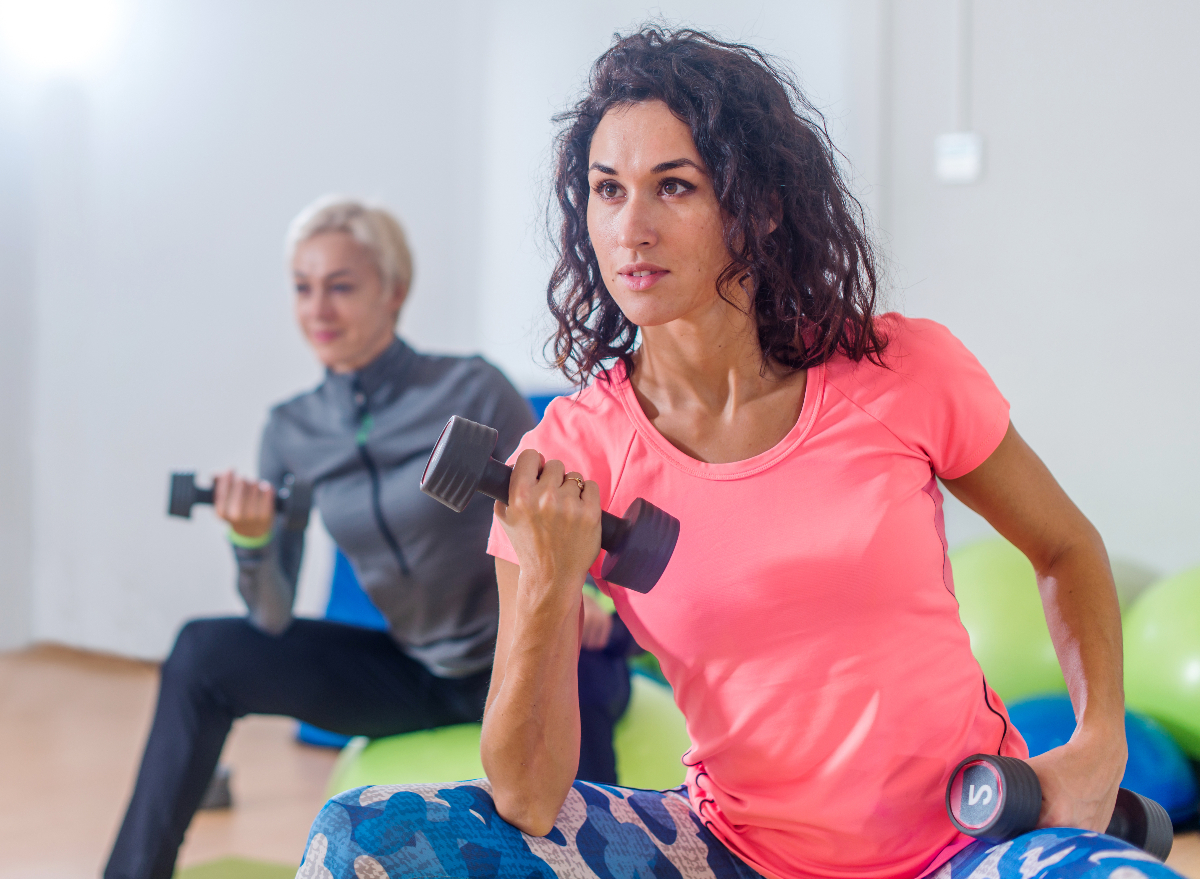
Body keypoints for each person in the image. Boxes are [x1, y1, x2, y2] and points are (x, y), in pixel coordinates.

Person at [296, 29, 1181, 879]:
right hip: (728, 854)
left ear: (756, 204)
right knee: (366, 835)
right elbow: (528, 797)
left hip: (966, 843)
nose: (631, 228)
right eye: (607, 189)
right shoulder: (569, 453)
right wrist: (551, 584)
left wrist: (1099, 740)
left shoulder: (898, 369)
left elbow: (1065, 545)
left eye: (672, 186)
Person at [104, 197, 633, 879]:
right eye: (304, 287)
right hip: (413, 671)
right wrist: (251, 541)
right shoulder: (292, 429)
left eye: (342, 285)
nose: (319, 308)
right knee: (201, 654)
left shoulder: (471, 387)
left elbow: (558, 511)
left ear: (394, 292)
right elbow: (270, 612)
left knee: (580, 678)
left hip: (520, 658)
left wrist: (580, 599)